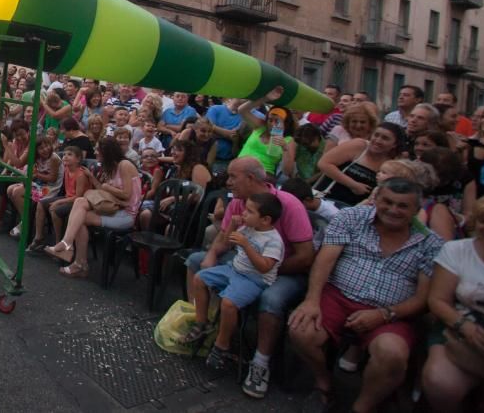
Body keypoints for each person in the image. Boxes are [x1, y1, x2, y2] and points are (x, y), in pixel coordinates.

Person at [288, 178, 444, 413]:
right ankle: (324, 382)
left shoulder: (430, 243)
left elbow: (423, 299)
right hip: (338, 295)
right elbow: (324, 260)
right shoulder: (352, 217)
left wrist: (384, 314)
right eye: (387, 202)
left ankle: (362, 406)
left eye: (402, 206)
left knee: (392, 355)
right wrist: (311, 300)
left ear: (416, 209)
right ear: (377, 199)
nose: (393, 210)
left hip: (393, 311)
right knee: (301, 330)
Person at [184, 157, 314, 399]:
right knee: (196, 262)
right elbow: (224, 237)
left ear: (251, 179)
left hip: (283, 269)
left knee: (271, 300)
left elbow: (306, 257)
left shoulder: (287, 204)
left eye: (233, 177)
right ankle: (204, 322)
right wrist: (211, 254)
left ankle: (260, 363)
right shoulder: (239, 203)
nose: (228, 181)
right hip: (244, 261)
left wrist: (265, 269)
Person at [184, 193, 285, 371]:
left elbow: (264, 267)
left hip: (255, 279)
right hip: (234, 269)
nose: (244, 213)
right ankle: (202, 323)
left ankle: (222, 344)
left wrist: (246, 245)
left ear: (265, 220)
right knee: (200, 278)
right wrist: (232, 224)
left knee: (229, 303)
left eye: (250, 211)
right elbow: (226, 243)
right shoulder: (247, 228)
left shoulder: (273, 241)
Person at [421, 195, 484, 410]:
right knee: (441, 383)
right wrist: (467, 328)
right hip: (458, 327)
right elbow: (437, 300)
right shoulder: (457, 251)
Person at [45, 137, 141, 277]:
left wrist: (108, 186)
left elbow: (126, 194)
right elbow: (101, 190)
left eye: (98, 149)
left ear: (107, 152)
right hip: (113, 208)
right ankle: (72, 251)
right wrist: (92, 177)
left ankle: (76, 258)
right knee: (80, 206)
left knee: (80, 214)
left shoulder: (124, 165)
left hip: (126, 214)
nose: (95, 152)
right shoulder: (111, 167)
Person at [315, 123, 403, 206]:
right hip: (325, 200)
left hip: (354, 209)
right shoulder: (359, 146)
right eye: (376, 135)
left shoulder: (391, 164)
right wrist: (353, 184)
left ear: (394, 144)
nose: (378, 140)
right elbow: (324, 163)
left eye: (385, 138)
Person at [28, 145, 89, 251]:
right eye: (64, 154)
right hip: (67, 197)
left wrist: (59, 201)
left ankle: (59, 242)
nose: (65, 156)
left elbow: (78, 197)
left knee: (55, 210)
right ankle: (39, 237)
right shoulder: (66, 169)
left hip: (77, 202)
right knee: (41, 203)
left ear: (78, 159)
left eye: (70, 154)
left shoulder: (80, 175)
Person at [6, 135, 61, 238]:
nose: (45, 150)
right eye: (41, 148)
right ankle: (25, 219)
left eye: (47, 146)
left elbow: (52, 178)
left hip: (50, 189)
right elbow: (21, 165)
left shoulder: (53, 158)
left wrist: (37, 175)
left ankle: (25, 222)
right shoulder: (38, 159)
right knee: (10, 189)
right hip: (40, 184)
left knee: (17, 192)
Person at [236, 87, 297, 179]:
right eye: (270, 120)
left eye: (277, 121)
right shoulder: (261, 127)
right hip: (239, 168)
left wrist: (285, 148)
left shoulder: (288, 140)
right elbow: (241, 110)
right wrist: (265, 98)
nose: (272, 124)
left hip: (262, 176)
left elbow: (287, 171)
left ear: (286, 123)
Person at [206, 97, 243, 174]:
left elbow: (235, 136)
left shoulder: (244, 116)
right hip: (207, 156)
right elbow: (208, 128)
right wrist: (228, 134)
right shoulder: (215, 109)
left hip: (228, 160)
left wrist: (216, 130)